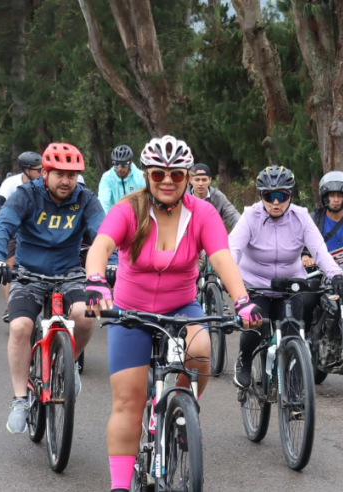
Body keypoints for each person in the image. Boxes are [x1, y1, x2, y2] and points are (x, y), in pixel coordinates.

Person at [83, 135, 262, 492]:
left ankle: (182, 411)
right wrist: (96, 282)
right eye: (158, 173)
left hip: (181, 307)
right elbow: (101, 244)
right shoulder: (129, 208)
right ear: (147, 175)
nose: (167, 180)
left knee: (201, 349)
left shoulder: (203, 213)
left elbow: (221, 256)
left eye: (176, 175)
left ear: (186, 177)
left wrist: (242, 300)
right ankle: (120, 486)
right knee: (129, 403)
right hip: (130, 311)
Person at [0, 142, 104, 434]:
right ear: (46, 172)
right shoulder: (26, 195)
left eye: (72, 175)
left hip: (71, 273)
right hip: (28, 274)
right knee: (20, 327)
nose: (66, 181)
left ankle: (70, 364)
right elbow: (2, 225)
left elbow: (105, 233)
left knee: (89, 312)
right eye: (60, 174)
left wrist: (110, 264)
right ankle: (19, 399)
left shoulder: (86, 199)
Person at [229, 165, 343, 388]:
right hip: (255, 285)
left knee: (294, 334)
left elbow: (320, 251)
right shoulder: (250, 216)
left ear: (290, 195)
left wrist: (336, 276)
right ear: (261, 196)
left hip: (290, 285)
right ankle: (244, 360)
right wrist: (229, 280)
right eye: (269, 196)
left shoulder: (301, 217)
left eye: (281, 196)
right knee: (256, 327)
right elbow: (232, 250)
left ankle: (294, 395)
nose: (276, 202)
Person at [0, 151, 43, 322]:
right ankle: (9, 306)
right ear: (27, 170)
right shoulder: (11, 183)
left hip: (36, 227)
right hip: (14, 225)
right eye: (38, 169)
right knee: (10, 265)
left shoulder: (45, 183)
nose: (42, 172)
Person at [187, 163, 241, 229]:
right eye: (197, 180)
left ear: (210, 180)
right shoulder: (183, 197)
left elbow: (233, 215)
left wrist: (244, 230)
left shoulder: (218, 197)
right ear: (190, 180)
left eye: (204, 180)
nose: (200, 184)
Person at [98, 145, 145, 213]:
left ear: (130, 163)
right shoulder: (107, 177)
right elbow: (104, 203)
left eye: (123, 164)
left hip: (137, 217)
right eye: (116, 164)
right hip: (115, 217)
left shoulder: (141, 177)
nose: (120, 168)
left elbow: (147, 201)